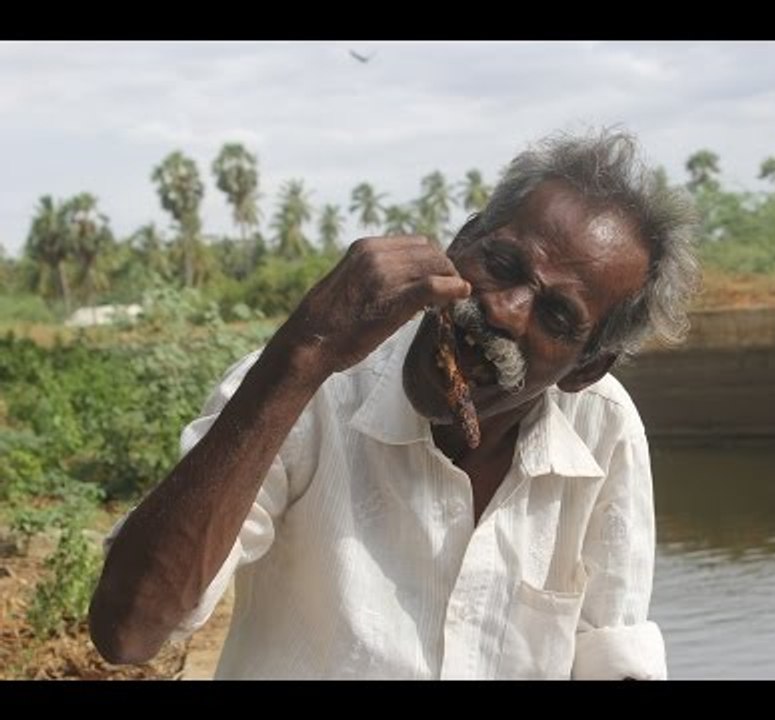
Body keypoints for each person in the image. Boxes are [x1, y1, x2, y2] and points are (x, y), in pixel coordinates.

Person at [89, 128, 700, 679]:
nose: (503, 310)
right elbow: (130, 631)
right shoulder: (309, 386)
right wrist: (303, 349)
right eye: (501, 264)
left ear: (586, 368)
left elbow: (606, 652)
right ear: (462, 242)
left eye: (557, 314)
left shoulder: (605, 430)